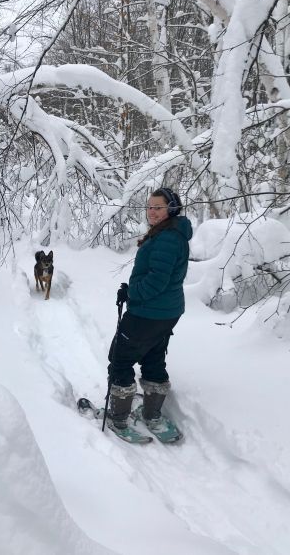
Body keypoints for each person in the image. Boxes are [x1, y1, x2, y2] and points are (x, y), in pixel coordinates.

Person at [107, 187, 192, 436]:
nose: (152, 212)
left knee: (120, 359)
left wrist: (132, 293)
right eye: (150, 207)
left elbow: (157, 280)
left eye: (158, 207)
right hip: (166, 312)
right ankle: (152, 415)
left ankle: (118, 418)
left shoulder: (167, 238)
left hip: (148, 313)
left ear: (172, 208)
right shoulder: (172, 232)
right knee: (153, 358)